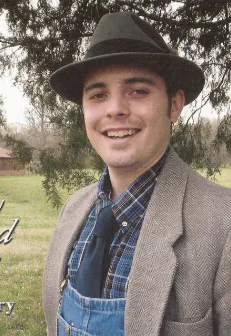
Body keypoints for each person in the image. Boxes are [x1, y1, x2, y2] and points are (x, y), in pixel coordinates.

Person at [43, 11, 231, 336]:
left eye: (138, 91)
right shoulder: (74, 208)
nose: (114, 108)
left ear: (174, 106)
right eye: (98, 95)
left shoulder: (224, 225)